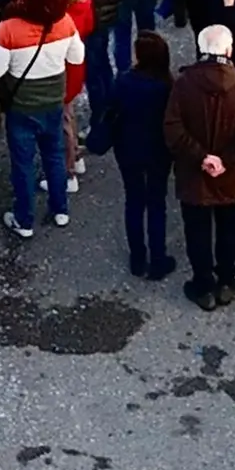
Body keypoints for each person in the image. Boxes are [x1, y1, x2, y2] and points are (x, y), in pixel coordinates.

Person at [165, 22, 235, 312]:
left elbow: (172, 128)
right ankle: (226, 280)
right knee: (228, 226)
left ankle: (202, 285)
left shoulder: (184, 84)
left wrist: (202, 157)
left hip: (194, 173)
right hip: (230, 174)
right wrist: (227, 158)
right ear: (229, 50)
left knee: (197, 230)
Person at [0, 0, 83, 235]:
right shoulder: (64, 21)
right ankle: (60, 209)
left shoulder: (9, 28)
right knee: (54, 156)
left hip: (22, 106)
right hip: (54, 100)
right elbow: (77, 56)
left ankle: (24, 219)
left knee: (23, 163)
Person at [94, 28, 176, 281]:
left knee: (134, 201)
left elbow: (111, 109)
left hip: (128, 149)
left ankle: (137, 258)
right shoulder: (167, 85)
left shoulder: (124, 82)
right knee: (156, 204)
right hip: (159, 151)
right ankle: (158, 259)